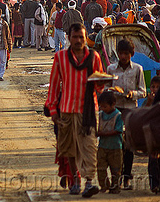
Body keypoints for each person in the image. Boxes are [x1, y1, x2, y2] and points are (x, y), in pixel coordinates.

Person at [45, 23, 104, 198]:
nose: (78, 40)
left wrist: (103, 83)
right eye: (75, 37)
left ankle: (89, 182)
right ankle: (75, 180)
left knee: (89, 147)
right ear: (69, 38)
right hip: (67, 109)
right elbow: (54, 86)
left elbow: (99, 85)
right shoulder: (60, 57)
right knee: (69, 149)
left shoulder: (94, 57)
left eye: (81, 37)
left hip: (88, 111)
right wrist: (53, 110)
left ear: (85, 38)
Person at [106, 39, 146, 190]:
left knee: (128, 145)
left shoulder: (137, 69)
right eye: (121, 53)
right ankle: (115, 177)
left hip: (130, 110)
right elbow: (106, 88)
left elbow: (143, 91)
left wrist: (132, 94)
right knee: (115, 145)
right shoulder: (111, 69)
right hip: (115, 110)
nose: (123, 57)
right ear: (118, 53)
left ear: (132, 54)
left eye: (126, 54)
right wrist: (112, 91)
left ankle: (127, 177)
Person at [96, 91, 123, 194]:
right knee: (101, 168)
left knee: (116, 169)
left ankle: (115, 186)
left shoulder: (118, 115)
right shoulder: (100, 115)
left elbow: (118, 130)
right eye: (101, 106)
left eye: (105, 106)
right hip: (102, 146)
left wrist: (102, 134)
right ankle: (104, 186)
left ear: (113, 104)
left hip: (115, 147)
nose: (103, 108)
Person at [146, 75, 160, 193]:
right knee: (153, 160)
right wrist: (150, 102)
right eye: (153, 87)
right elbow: (144, 114)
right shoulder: (150, 100)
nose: (155, 89)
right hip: (153, 134)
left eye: (157, 87)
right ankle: (154, 185)